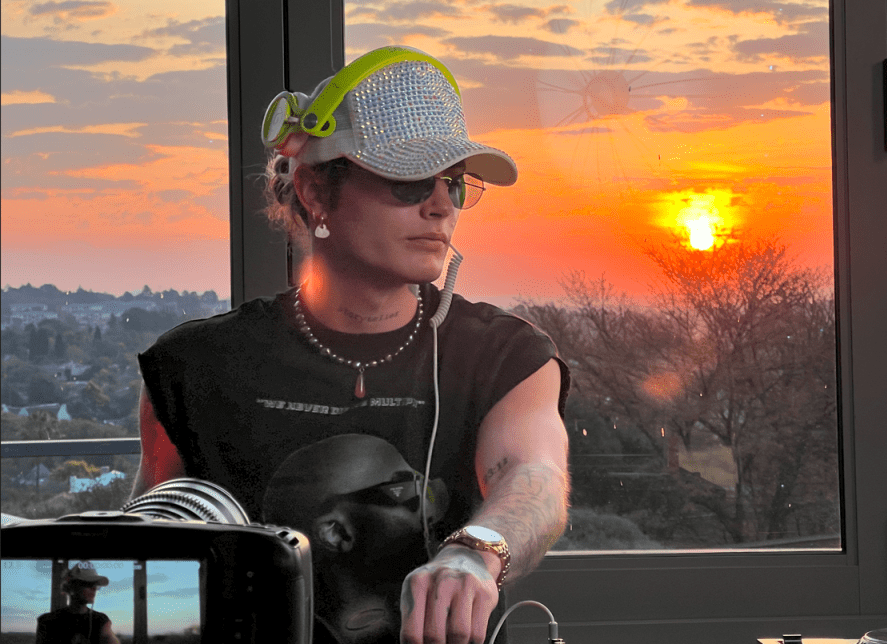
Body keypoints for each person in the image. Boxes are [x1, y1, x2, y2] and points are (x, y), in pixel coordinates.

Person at [131, 45, 571, 644]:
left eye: (453, 185)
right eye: (409, 181)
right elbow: (151, 540)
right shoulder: (193, 367)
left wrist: (475, 552)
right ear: (315, 191)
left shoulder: (506, 357)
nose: (440, 206)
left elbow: (534, 476)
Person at [36, 561, 120, 644]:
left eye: (95, 585)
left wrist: (108, 635)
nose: (94, 588)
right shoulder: (47, 622)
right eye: (88, 583)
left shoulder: (101, 621)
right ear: (72, 586)